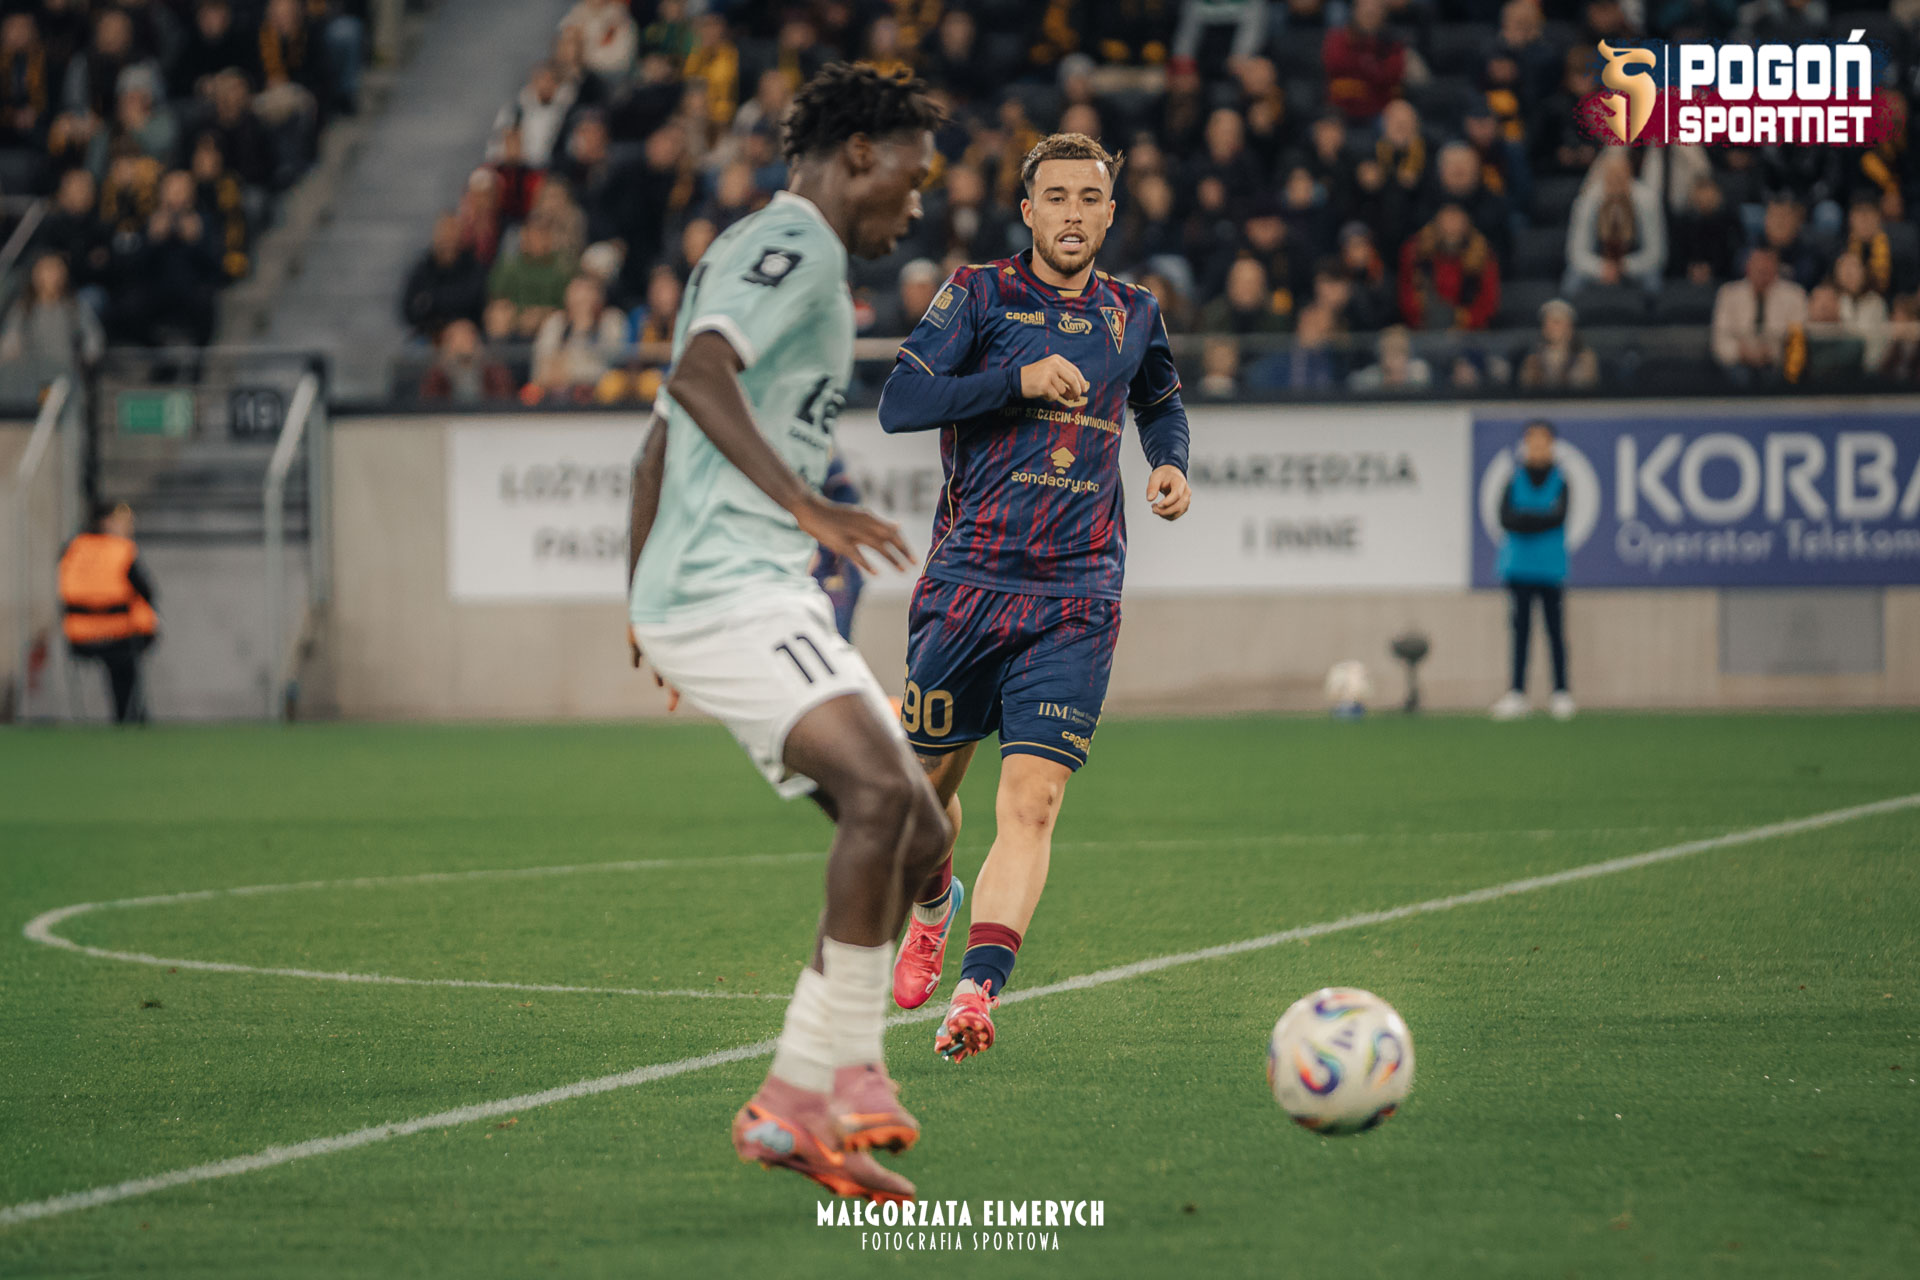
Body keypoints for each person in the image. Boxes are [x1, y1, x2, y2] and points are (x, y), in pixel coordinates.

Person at [624, 63, 946, 1206]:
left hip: (736, 588)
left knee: (918, 831)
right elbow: (696, 376)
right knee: (884, 796)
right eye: (912, 176)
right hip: (733, 584)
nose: (916, 204)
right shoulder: (796, 244)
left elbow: (656, 442)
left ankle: (792, 1098)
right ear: (859, 154)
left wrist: (639, 599)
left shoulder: (760, 249)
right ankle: (843, 1071)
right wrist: (804, 506)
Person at [875, 132, 1192, 1063]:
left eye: (1089, 199)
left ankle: (976, 993)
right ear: (1028, 210)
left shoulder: (1135, 312)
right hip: (968, 585)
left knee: (1035, 801)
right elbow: (900, 402)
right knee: (922, 803)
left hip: (1078, 593)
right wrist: (1014, 381)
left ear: (1110, 213)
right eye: (1055, 197)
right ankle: (932, 902)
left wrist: (1169, 462)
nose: (1072, 213)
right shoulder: (978, 294)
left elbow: (1160, 400)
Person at [1491, 420, 1574, 722]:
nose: (1538, 446)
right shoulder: (1513, 479)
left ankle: (1561, 692)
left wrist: (1526, 519)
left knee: (1555, 631)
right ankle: (1517, 693)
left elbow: (1558, 517)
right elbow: (1506, 518)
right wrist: (1538, 518)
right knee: (1520, 632)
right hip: (1518, 567)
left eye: (1543, 441)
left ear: (1551, 445)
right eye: (1532, 441)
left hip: (1551, 568)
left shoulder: (1561, 481)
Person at [58, 502, 158, 724]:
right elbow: (147, 591)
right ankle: (130, 716)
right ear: (105, 522)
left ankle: (125, 715)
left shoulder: (73, 548)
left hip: (79, 635)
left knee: (119, 663)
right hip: (119, 633)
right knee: (125, 667)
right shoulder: (122, 550)